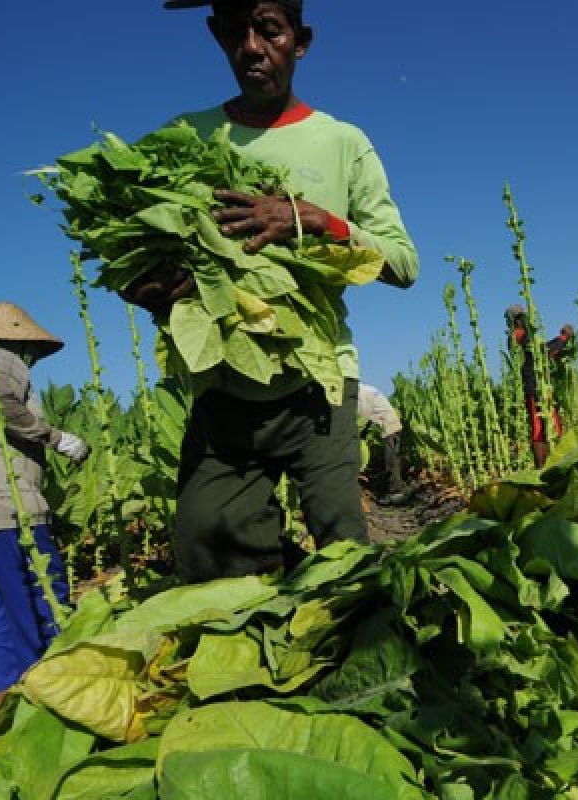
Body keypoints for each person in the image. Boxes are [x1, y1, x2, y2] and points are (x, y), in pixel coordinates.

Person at [122, 0, 418, 582]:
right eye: (235, 31)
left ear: (299, 41)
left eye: (270, 30)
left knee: (344, 553)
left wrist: (310, 219)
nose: (251, 47)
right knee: (207, 547)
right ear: (216, 36)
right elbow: (134, 258)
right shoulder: (181, 140)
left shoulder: (341, 142)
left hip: (318, 383)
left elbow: (403, 262)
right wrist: (151, 289)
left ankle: (345, 648)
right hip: (223, 389)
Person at [0, 303, 89, 712]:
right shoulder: (0, 357)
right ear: (18, 338)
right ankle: (53, 688)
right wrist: (57, 439)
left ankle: (0, 693)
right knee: (41, 593)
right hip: (7, 504)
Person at [506, 306, 574, 468]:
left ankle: (555, 463)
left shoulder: (523, 335)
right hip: (534, 386)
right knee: (539, 428)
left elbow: (542, 350)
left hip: (539, 385)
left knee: (551, 424)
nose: (525, 320)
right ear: (516, 320)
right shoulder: (518, 335)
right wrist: (563, 339)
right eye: (521, 317)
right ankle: (542, 469)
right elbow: (543, 351)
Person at [356, 383, 410, 506]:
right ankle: (398, 488)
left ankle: (396, 492)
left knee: (391, 460)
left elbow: (363, 416)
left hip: (389, 425)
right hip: (390, 422)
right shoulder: (367, 390)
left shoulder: (361, 394)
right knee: (392, 458)